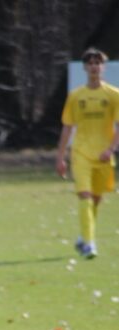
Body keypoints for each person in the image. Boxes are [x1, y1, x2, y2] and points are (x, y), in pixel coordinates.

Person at [56, 47, 119, 259]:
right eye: (90, 63)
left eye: (97, 63)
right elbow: (67, 127)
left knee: (96, 199)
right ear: (84, 67)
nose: (94, 67)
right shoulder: (76, 96)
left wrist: (110, 149)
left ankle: (83, 236)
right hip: (81, 153)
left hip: (103, 155)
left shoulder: (113, 95)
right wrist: (60, 157)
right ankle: (89, 244)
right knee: (85, 195)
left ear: (103, 67)